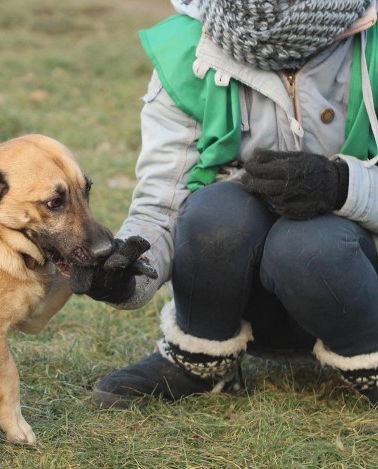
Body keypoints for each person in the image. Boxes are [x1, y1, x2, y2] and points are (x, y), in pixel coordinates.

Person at [72, 0, 378, 409]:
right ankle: (199, 357)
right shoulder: (189, 47)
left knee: (307, 244)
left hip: (354, 280)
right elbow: (162, 204)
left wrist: (342, 185)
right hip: (243, 301)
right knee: (217, 212)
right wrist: (125, 277)